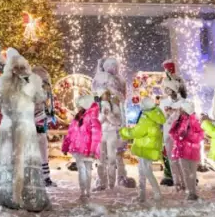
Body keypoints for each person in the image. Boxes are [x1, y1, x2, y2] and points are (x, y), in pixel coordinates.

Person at [0, 48, 51, 212]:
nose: (20, 71)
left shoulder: (32, 82)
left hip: (26, 126)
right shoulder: (4, 83)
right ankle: (9, 195)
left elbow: (40, 99)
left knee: (25, 161)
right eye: (16, 68)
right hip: (9, 127)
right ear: (11, 69)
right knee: (10, 161)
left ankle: (23, 195)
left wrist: (31, 85)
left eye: (23, 68)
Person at [91, 56, 132, 189]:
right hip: (103, 131)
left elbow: (122, 100)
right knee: (102, 158)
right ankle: (102, 180)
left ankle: (118, 177)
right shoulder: (99, 104)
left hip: (113, 130)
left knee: (115, 155)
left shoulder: (119, 83)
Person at [120, 97, 165, 203]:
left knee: (146, 171)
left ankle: (157, 193)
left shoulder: (146, 117)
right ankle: (142, 195)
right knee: (142, 171)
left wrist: (123, 132)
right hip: (149, 146)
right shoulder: (155, 114)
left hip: (145, 147)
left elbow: (137, 132)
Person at [61, 95, 100, 202]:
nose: (78, 107)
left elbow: (96, 135)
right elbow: (70, 133)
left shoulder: (92, 117)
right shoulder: (78, 117)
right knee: (83, 170)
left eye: (79, 105)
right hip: (78, 148)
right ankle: (84, 192)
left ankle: (86, 192)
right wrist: (65, 146)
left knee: (86, 170)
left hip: (86, 149)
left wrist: (93, 150)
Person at [168, 100, 204, 201]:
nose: (179, 110)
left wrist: (187, 136)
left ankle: (192, 192)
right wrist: (179, 135)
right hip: (182, 150)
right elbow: (173, 133)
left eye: (181, 109)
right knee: (187, 173)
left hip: (192, 151)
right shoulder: (180, 120)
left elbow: (200, 135)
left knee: (191, 173)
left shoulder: (194, 121)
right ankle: (190, 193)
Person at [32, 66, 55, 187]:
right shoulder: (32, 98)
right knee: (38, 154)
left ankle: (46, 177)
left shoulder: (43, 99)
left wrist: (48, 116)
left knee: (44, 154)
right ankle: (39, 177)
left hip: (41, 130)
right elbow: (30, 118)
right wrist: (42, 115)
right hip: (34, 131)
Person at [160, 95, 184, 191]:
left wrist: (175, 112)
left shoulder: (183, 102)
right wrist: (167, 114)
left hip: (179, 136)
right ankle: (176, 182)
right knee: (172, 160)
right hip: (168, 135)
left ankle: (184, 182)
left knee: (181, 160)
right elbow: (162, 119)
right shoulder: (164, 103)